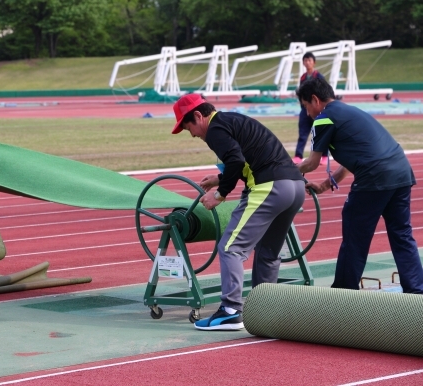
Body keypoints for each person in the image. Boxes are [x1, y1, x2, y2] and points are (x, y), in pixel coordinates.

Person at [172, 93, 305, 330]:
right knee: (268, 252)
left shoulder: (215, 129)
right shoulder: (233, 120)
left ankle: (231, 311)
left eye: (188, 127)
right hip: (294, 187)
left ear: (198, 116)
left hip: (269, 187)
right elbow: (249, 158)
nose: (191, 134)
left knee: (230, 248)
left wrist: (219, 194)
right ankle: (266, 310)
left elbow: (235, 160)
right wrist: (220, 178)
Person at [296, 77, 423, 293]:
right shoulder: (350, 111)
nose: (307, 114)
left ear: (315, 100)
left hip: (375, 176)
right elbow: (350, 163)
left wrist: (284, 171)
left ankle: (344, 293)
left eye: (306, 106)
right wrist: (325, 186)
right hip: (401, 171)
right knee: (402, 235)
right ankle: (417, 291)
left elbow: (312, 162)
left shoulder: (324, 118)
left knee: (355, 236)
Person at [293, 52, 329, 166]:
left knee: (321, 132)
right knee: (302, 133)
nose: (307, 62)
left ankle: (324, 155)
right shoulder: (303, 77)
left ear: (314, 62)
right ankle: (298, 156)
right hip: (305, 109)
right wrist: (304, 106)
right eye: (305, 60)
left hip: (317, 109)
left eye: (309, 60)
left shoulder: (319, 77)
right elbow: (301, 94)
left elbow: (323, 92)